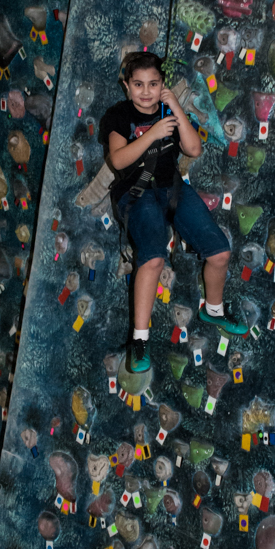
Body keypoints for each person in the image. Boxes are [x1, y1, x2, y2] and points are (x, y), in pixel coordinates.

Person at [99, 51, 247, 373]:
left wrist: (176, 108)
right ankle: (139, 341)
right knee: (153, 259)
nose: (146, 91)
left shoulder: (169, 111)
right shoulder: (118, 115)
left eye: (153, 84)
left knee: (220, 252)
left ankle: (214, 309)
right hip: (136, 193)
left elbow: (193, 149)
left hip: (172, 190)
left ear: (162, 85)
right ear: (127, 86)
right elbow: (119, 160)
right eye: (138, 84)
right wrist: (153, 134)